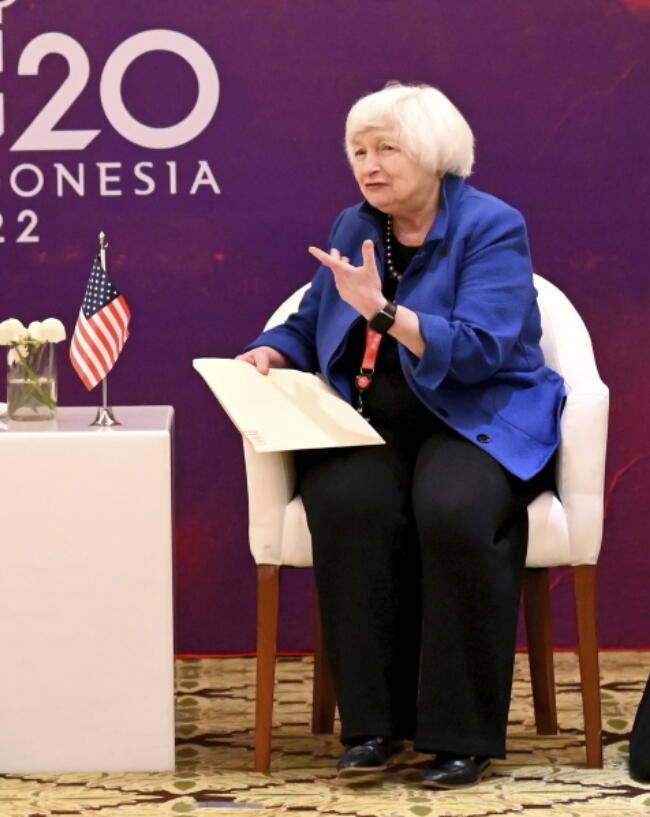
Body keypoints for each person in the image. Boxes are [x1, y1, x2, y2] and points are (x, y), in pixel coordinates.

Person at [237, 82, 564, 788]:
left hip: (476, 415)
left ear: (436, 155)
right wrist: (271, 348)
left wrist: (384, 312)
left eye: (387, 148)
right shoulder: (356, 222)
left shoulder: (492, 226)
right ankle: (372, 728)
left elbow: (481, 347)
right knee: (346, 502)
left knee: (453, 508)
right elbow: (312, 319)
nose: (369, 165)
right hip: (377, 417)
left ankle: (459, 736)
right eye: (359, 150)